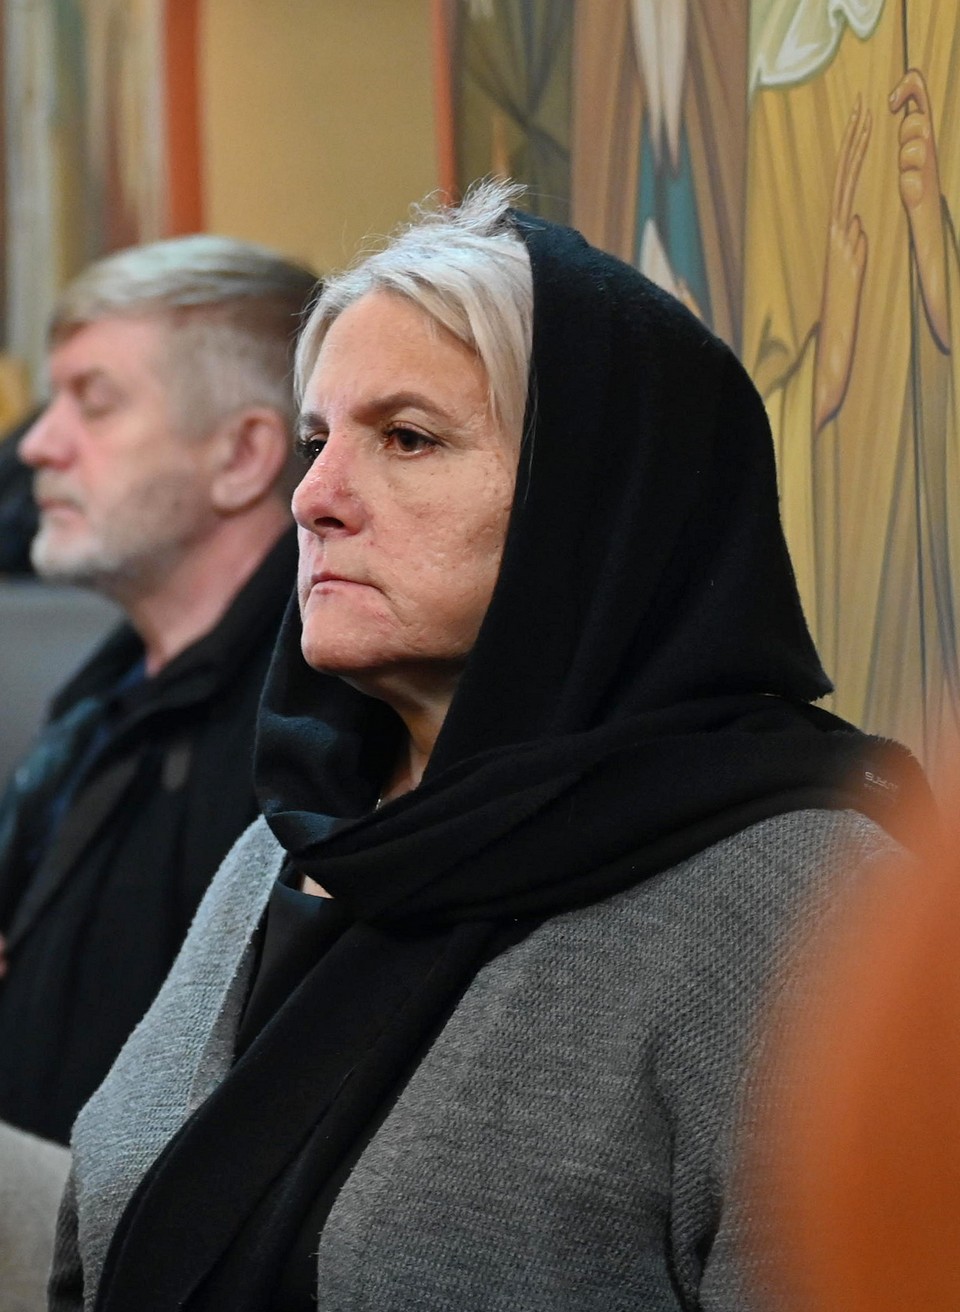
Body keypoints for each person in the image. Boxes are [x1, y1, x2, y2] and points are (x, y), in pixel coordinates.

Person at [51, 183, 924, 1311]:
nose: (313, 498)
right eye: (317, 440)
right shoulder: (293, 842)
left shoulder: (812, 911)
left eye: (407, 438)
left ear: (594, 505)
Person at [0, 235, 316, 1144]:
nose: (38, 444)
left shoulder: (307, 735)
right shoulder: (105, 690)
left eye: (93, 403)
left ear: (242, 455)